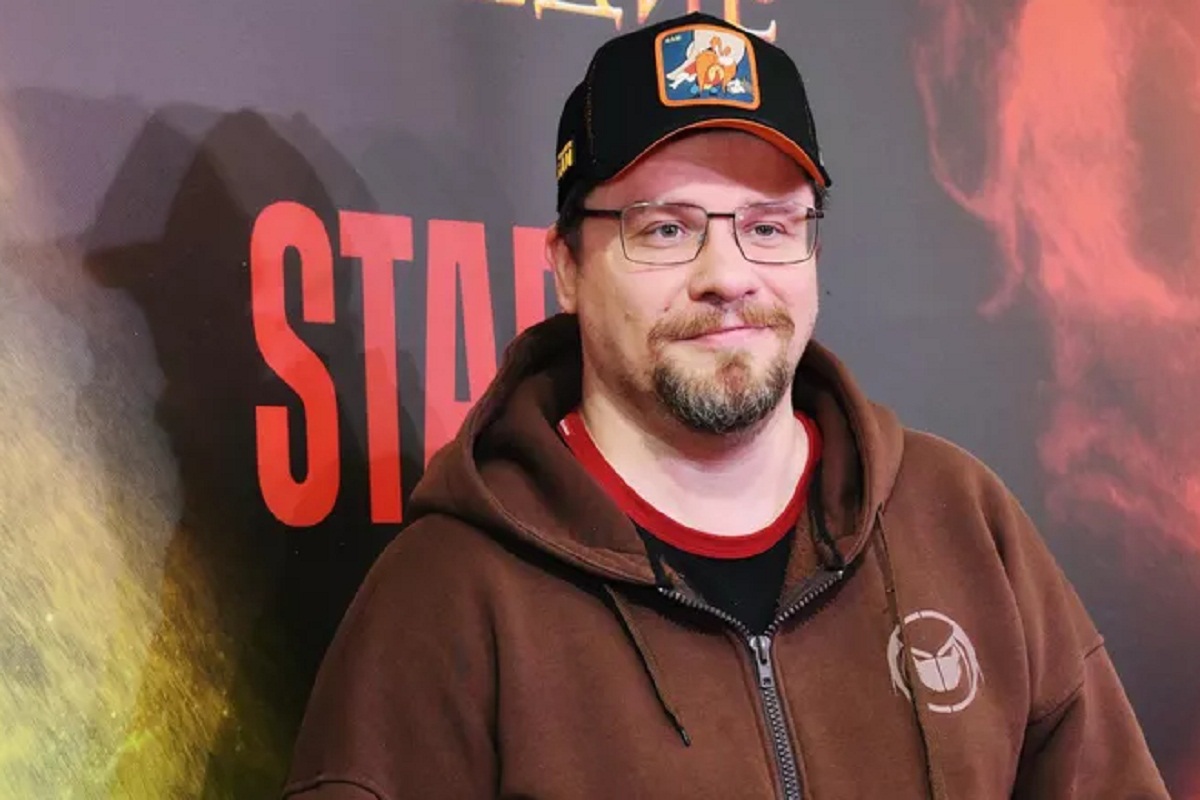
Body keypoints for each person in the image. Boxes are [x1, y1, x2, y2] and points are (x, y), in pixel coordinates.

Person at [282, 11, 1168, 799]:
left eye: (769, 226)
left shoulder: (963, 524)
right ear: (567, 267)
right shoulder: (447, 598)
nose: (729, 276)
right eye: (666, 228)